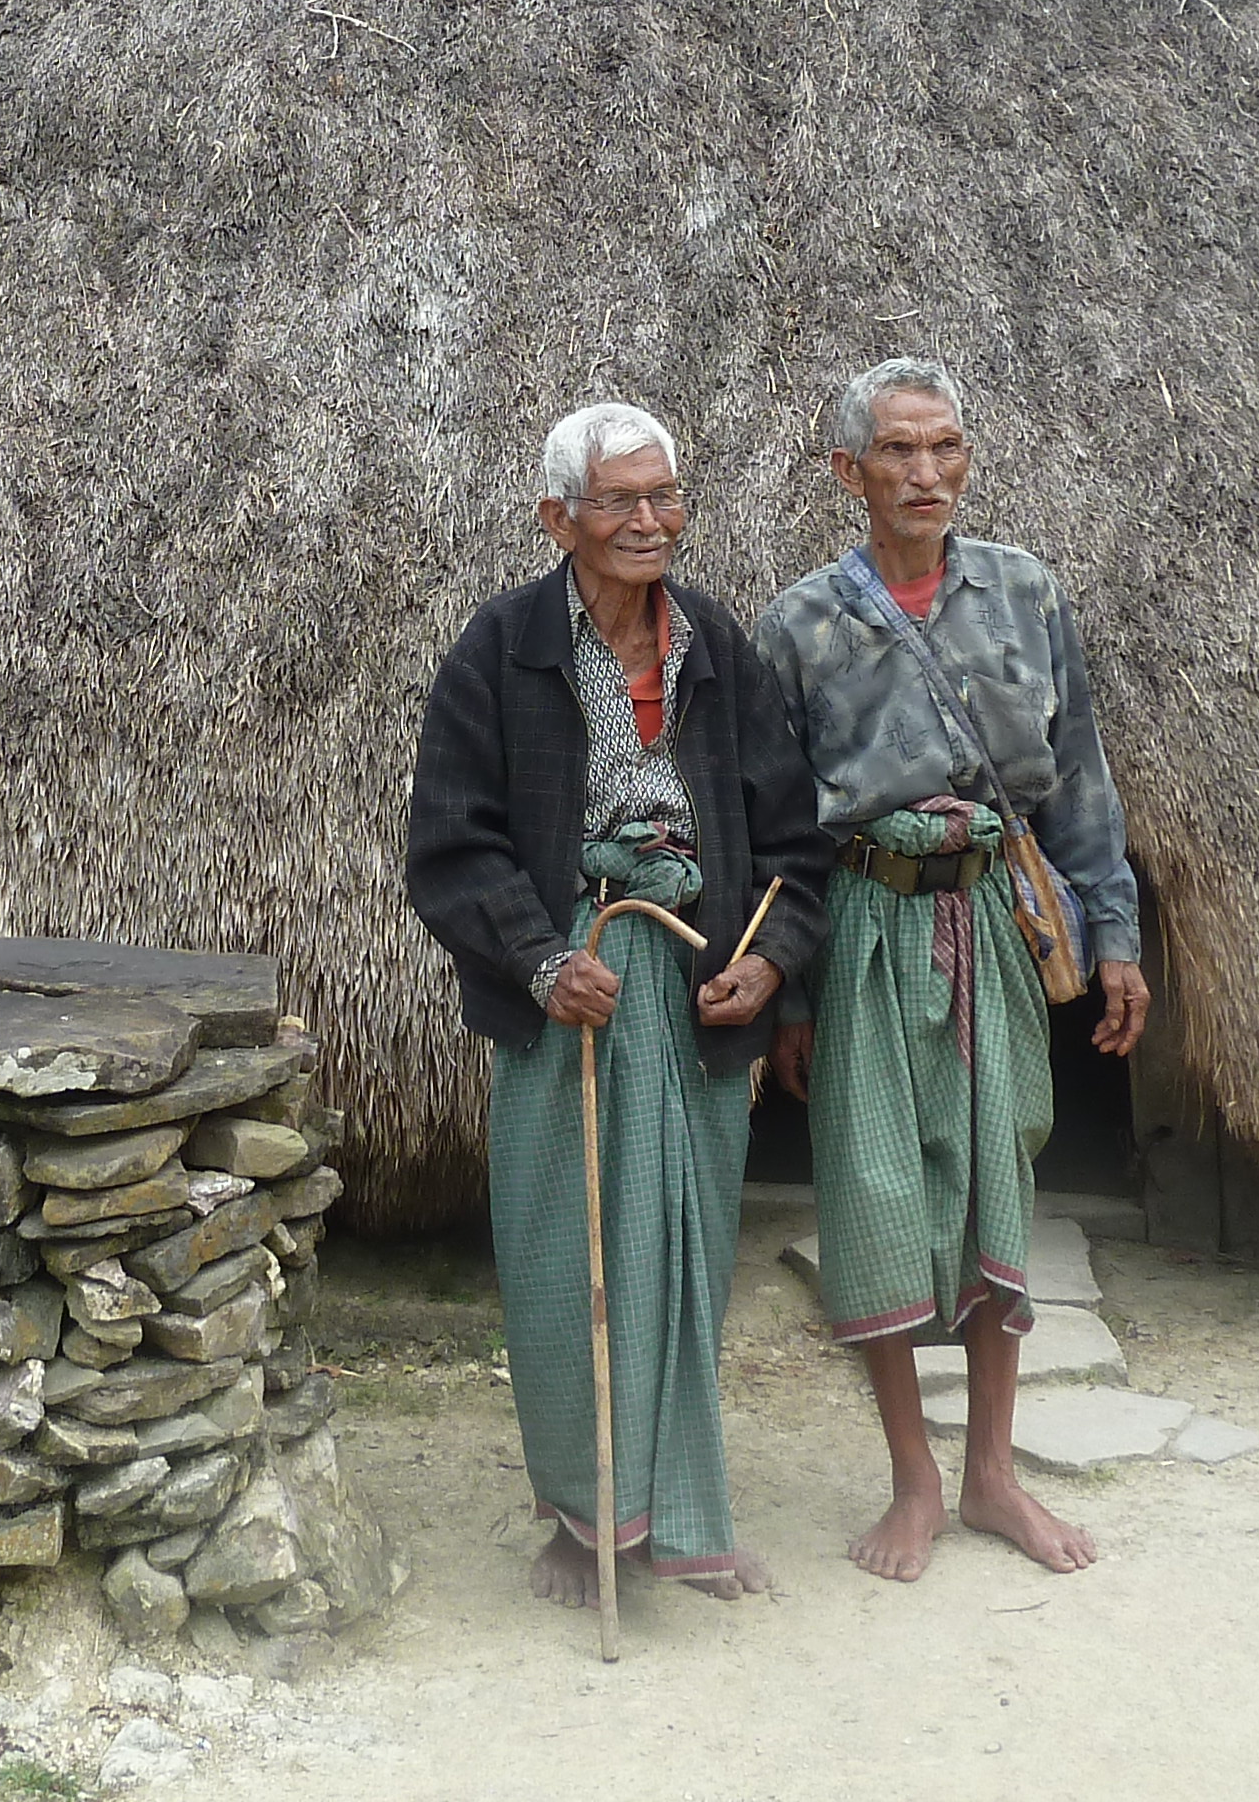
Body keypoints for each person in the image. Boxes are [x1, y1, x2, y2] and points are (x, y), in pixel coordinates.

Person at [406, 399, 830, 1609]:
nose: (650, 521)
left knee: (684, 1256)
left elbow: (794, 839)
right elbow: (450, 844)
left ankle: (682, 1515)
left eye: (665, 497)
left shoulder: (716, 647)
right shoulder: (501, 651)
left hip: (697, 993)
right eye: (619, 501)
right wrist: (542, 960)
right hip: (572, 993)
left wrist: (768, 962)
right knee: (563, 1260)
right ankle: (579, 1517)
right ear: (559, 519)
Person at [752, 357, 1149, 1580]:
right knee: (873, 1191)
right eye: (898, 450)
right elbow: (777, 830)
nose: (926, 472)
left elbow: (1078, 779)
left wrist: (1115, 936)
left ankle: (990, 1476)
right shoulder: (798, 625)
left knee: (993, 1182)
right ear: (848, 471)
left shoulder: (1025, 593)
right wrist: (790, 987)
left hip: (994, 920)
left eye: (945, 447)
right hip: (864, 926)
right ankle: (912, 1483)